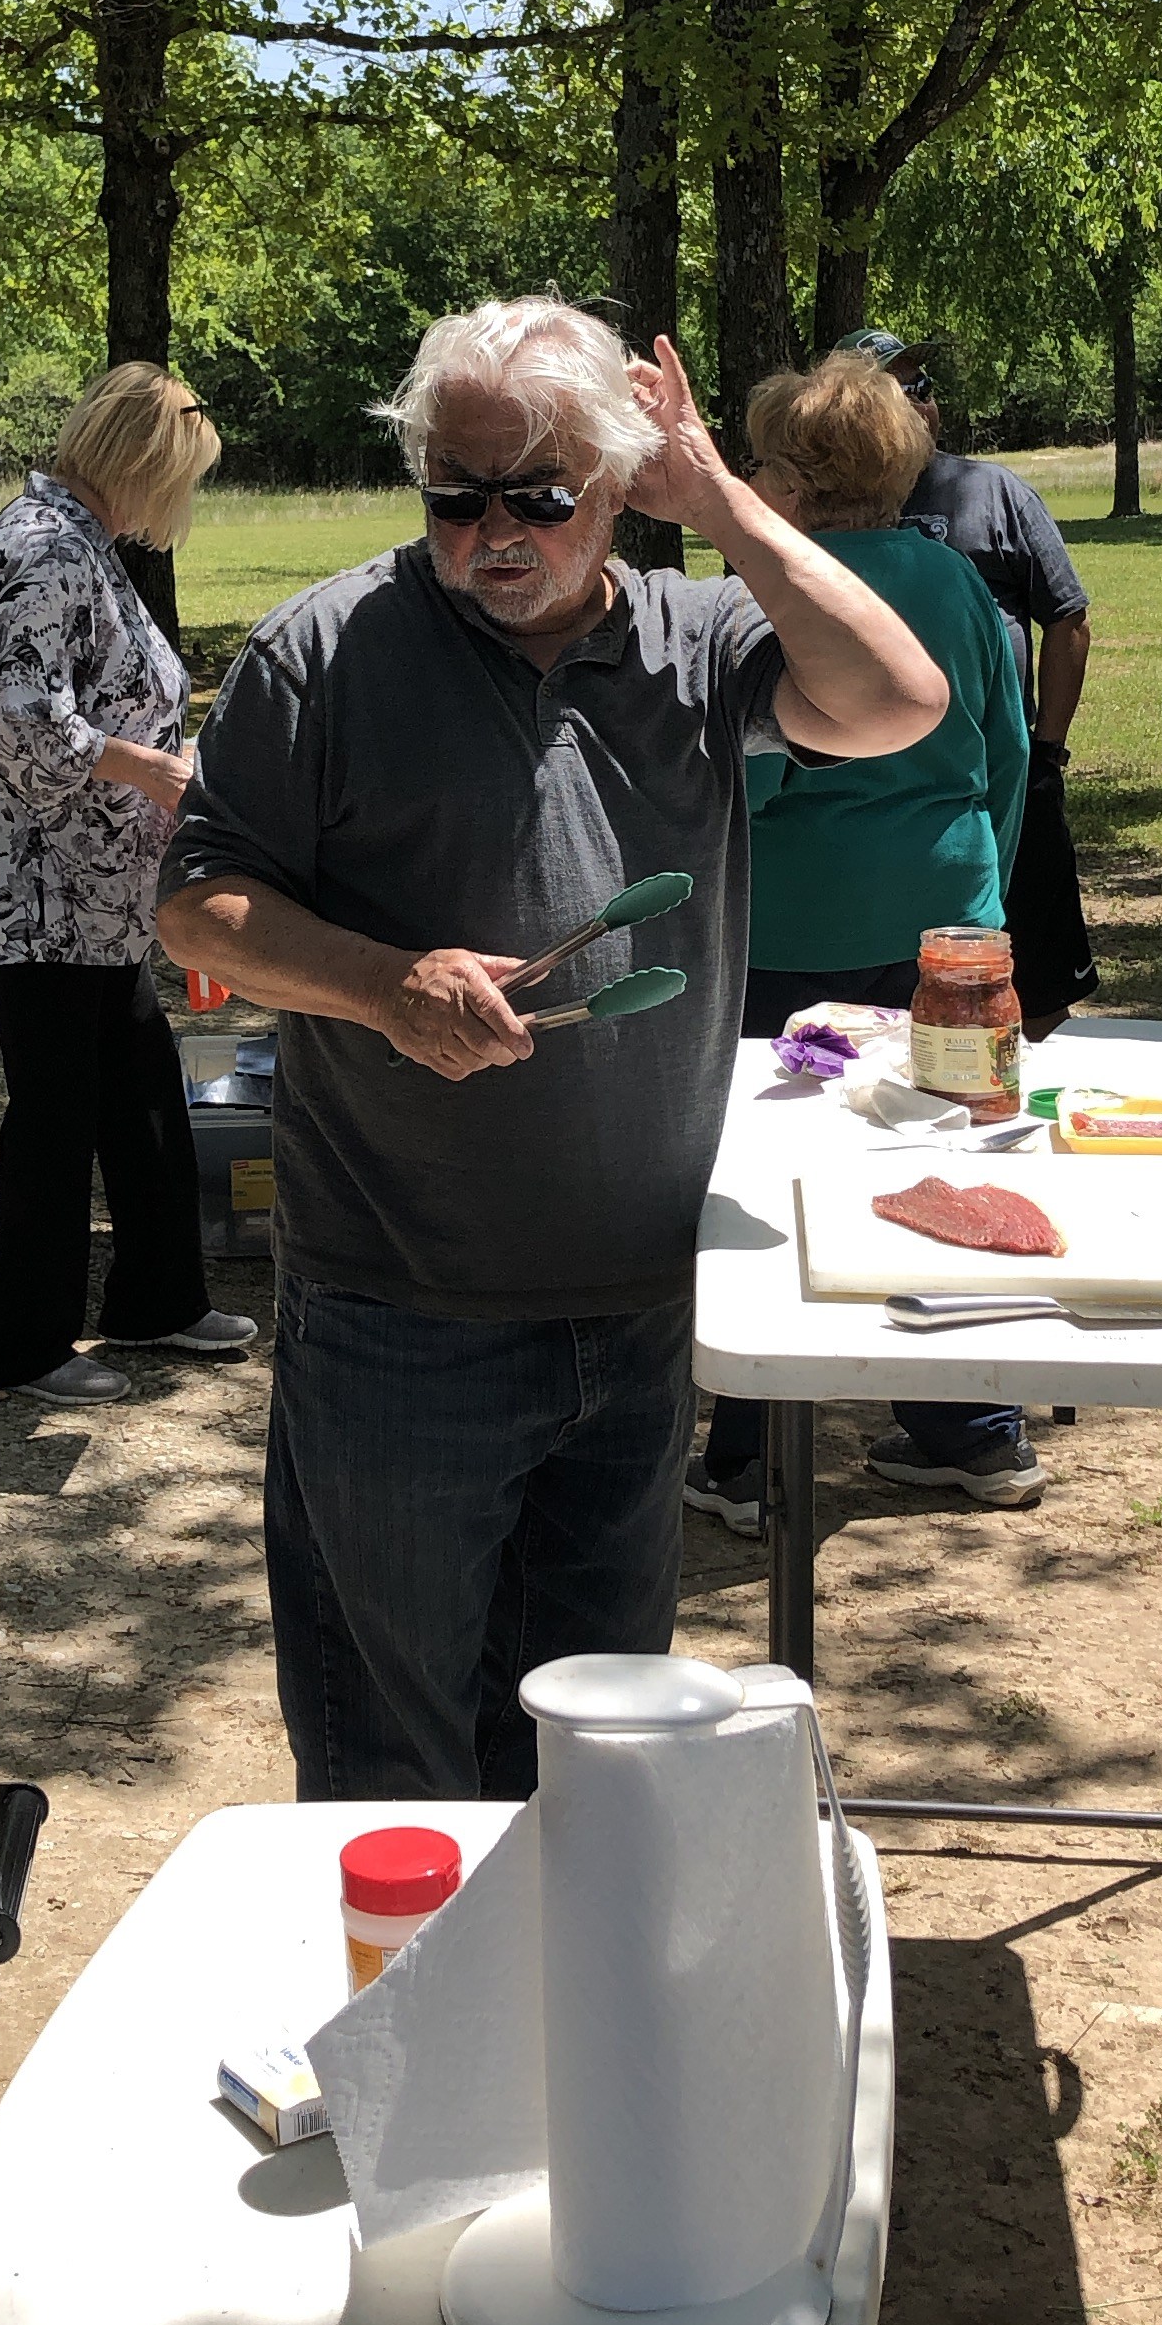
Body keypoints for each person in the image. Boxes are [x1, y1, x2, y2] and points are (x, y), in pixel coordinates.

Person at [156, 301, 949, 1801]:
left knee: (594, 1756)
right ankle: (402, 2030)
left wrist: (716, 498)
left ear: (617, 479)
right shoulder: (324, 654)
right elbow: (200, 908)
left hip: (640, 1312)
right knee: (392, 1764)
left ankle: (556, 2029)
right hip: (402, 1312)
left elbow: (899, 700)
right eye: (456, 494)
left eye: (539, 492)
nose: (493, 532)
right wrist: (386, 984)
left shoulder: (697, 637)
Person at [685, 352, 1039, 1526]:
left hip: (797, 923)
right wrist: (980, 890)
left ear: (789, 480)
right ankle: (974, 1431)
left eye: (757, 461)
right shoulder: (954, 576)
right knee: (945, 1157)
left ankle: (750, 1454)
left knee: (774, 1174)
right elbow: (1007, 749)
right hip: (951, 921)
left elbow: (764, 777)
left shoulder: (783, 585)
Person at [0, 362, 259, 1401]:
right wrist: (153, 767)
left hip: (88, 888)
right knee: (57, 1112)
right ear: (141, 466)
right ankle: (21, 1348)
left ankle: (158, 1296)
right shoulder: (41, 549)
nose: (181, 507)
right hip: (32, 887)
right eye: (180, 480)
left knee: (139, 1086)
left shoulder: (78, 543)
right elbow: (22, 718)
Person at [851, 329, 1097, 1031]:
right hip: (880, 773)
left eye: (922, 384)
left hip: (1004, 764)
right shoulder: (830, 506)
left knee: (1035, 970)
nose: (919, 400)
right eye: (896, 387)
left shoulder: (991, 489)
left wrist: (1045, 749)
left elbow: (1068, 618)